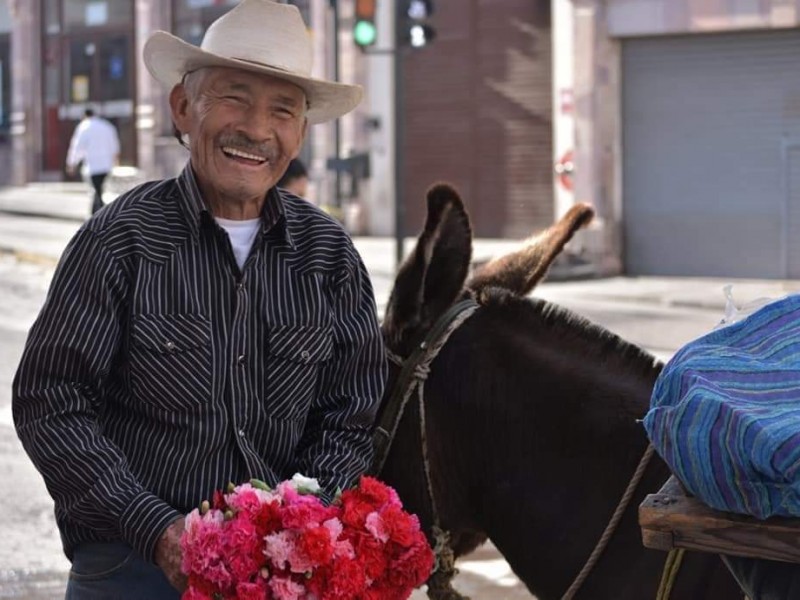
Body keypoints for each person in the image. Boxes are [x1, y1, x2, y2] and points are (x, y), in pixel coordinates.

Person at [13, 1, 386, 598]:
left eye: (282, 110)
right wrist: (158, 529)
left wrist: (304, 520)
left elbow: (352, 409)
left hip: (277, 576)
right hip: (131, 567)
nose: (258, 130)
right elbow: (49, 401)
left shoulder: (329, 256)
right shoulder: (118, 241)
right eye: (234, 98)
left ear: (301, 133)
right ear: (184, 108)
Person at [65, 108, 120, 214]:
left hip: (92, 165)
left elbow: (77, 147)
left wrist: (71, 163)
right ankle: (98, 211)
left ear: (84, 116)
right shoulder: (107, 126)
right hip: (106, 164)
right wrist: (116, 159)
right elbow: (114, 145)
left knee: (96, 189)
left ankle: (98, 212)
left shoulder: (84, 127)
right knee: (99, 189)